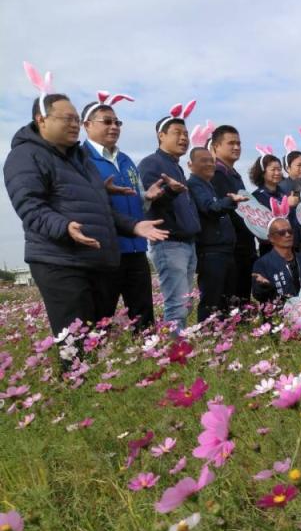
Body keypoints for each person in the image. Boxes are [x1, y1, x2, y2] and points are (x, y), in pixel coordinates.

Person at [4, 82, 167, 339]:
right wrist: (64, 226)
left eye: (76, 119)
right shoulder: (25, 155)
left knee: (96, 338)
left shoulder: (79, 160)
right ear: (41, 120)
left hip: (94, 259)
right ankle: (71, 378)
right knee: (76, 342)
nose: (74, 124)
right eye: (67, 118)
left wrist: (133, 226)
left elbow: (101, 209)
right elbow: (30, 205)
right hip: (59, 259)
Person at [81, 94, 158, 331]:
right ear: (87, 125)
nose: (114, 126)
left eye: (117, 122)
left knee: (144, 314)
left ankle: (152, 358)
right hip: (105, 250)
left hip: (135, 247)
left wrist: (148, 197)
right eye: (107, 121)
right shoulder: (81, 158)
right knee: (101, 315)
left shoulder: (125, 160)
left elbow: (136, 196)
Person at [138, 103, 202, 332]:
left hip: (186, 243)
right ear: (161, 135)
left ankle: (179, 346)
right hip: (169, 243)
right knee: (176, 304)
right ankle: (175, 354)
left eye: (186, 134)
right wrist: (169, 192)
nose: (184, 138)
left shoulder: (177, 167)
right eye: (177, 133)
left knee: (185, 303)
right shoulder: (151, 164)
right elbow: (146, 201)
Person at [187, 146, 247, 321]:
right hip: (212, 252)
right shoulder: (194, 185)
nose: (209, 164)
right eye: (203, 160)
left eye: (211, 161)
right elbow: (209, 209)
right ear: (190, 165)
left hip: (225, 250)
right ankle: (209, 338)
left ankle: (223, 338)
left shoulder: (208, 185)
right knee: (212, 300)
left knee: (226, 299)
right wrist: (230, 200)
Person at [210, 125, 255, 303]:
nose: (236, 147)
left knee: (243, 299)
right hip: (230, 247)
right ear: (216, 146)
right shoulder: (215, 173)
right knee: (230, 301)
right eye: (231, 143)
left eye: (239, 143)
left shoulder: (234, 174)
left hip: (244, 245)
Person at [251, 217, 301, 304]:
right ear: (270, 238)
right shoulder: (262, 263)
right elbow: (258, 295)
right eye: (282, 232)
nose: (288, 235)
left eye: (290, 231)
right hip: (279, 314)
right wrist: (264, 287)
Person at [250, 152, 300, 256]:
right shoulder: (256, 197)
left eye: (279, 169)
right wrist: (286, 205)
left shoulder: (285, 193)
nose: (277, 173)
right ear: (263, 172)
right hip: (270, 250)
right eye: (273, 170)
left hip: (292, 247)